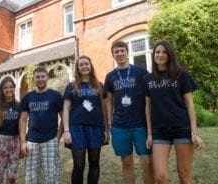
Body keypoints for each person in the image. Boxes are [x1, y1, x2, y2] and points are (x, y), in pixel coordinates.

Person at [144, 40, 205, 184]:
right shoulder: (147, 78)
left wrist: (194, 132)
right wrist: (150, 134)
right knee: (160, 177)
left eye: (164, 52)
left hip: (181, 127)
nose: (160, 55)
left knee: (184, 175)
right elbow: (147, 107)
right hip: (159, 130)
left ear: (170, 55)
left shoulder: (181, 75)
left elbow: (189, 104)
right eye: (157, 52)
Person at [104, 41, 154, 184]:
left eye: (122, 51)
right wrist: (109, 122)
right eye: (116, 52)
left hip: (141, 124)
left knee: (147, 162)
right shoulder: (110, 76)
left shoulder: (141, 72)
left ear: (127, 52)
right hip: (120, 125)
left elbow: (149, 97)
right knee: (126, 162)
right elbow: (109, 100)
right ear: (113, 55)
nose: (120, 54)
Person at [63, 55, 109, 184]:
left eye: (86, 64)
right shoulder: (71, 86)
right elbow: (66, 109)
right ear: (77, 68)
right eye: (81, 65)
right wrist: (66, 131)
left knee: (94, 163)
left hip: (96, 127)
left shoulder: (99, 85)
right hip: (76, 128)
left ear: (90, 66)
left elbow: (103, 109)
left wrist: (106, 130)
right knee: (79, 164)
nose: (84, 66)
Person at [19, 66, 63, 184]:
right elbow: (23, 120)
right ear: (33, 79)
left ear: (47, 78)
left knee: (51, 176)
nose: (40, 79)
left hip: (50, 140)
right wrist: (23, 142)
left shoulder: (55, 95)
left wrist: (57, 137)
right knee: (30, 178)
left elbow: (64, 117)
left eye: (43, 76)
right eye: (37, 77)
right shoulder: (27, 97)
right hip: (31, 141)